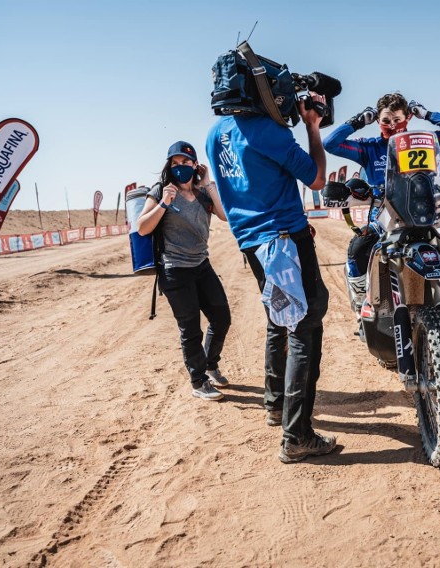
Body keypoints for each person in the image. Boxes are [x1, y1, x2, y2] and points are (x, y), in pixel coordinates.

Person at [206, 80, 336, 464]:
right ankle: (297, 435)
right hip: (284, 240)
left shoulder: (216, 133)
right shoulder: (268, 131)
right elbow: (315, 178)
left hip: (253, 242)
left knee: (279, 320)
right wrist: (312, 127)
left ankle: (275, 404)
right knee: (304, 327)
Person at [324, 93, 440, 322]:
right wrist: (359, 120)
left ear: (408, 118)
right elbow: (330, 143)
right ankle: (362, 298)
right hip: (383, 216)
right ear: (377, 121)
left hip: (421, 214)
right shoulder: (369, 148)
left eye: (397, 119)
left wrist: (428, 114)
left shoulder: (425, 142)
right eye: (385, 121)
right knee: (358, 247)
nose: (392, 125)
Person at [137, 141, 232, 402]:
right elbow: (143, 228)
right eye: (174, 164)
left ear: (195, 165)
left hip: (201, 265)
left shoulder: (203, 194)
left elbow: (225, 215)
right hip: (175, 270)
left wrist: (209, 183)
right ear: (169, 166)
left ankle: (211, 364)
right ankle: (199, 381)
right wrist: (164, 203)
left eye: (185, 163)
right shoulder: (160, 192)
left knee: (222, 317)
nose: (180, 168)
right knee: (190, 329)